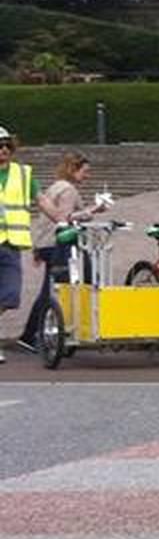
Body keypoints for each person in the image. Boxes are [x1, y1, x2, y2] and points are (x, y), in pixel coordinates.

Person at [22, 153, 98, 354]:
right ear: (74, 170)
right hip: (59, 244)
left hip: (46, 243)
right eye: (85, 171)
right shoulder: (69, 190)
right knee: (54, 290)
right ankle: (34, 334)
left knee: (50, 288)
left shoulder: (56, 186)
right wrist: (93, 210)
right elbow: (64, 218)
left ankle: (33, 334)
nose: (87, 176)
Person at [0, 125, 33, 363]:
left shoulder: (23, 174)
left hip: (11, 244)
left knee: (10, 295)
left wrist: (65, 219)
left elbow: (42, 200)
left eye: (7, 146)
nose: (3, 150)